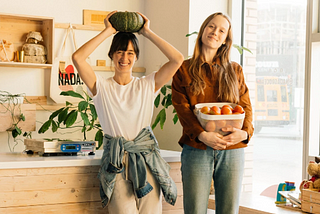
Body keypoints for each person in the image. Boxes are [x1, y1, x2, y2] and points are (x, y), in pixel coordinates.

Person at [72, 11, 184, 214]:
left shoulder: (147, 85)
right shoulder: (100, 87)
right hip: (116, 162)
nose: (125, 58)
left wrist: (147, 32)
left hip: (146, 159)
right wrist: (107, 31)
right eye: (120, 52)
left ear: (136, 57)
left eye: (131, 53)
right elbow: (78, 58)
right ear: (112, 55)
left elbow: (177, 59)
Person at [171, 12, 254, 214]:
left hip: (232, 148)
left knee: (229, 210)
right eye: (211, 26)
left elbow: (246, 106)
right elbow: (182, 109)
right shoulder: (183, 69)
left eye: (221, 30)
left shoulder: (235, 70)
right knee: (195, 210)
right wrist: (203, 135)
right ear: (202, 30)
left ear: (226, 39)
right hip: (197, 148)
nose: (215, 32)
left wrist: (245, 133)